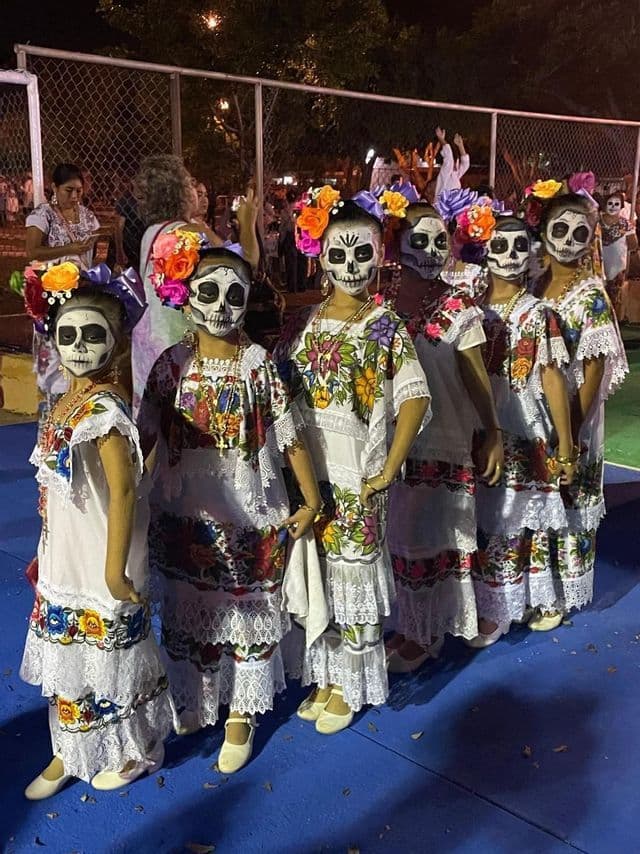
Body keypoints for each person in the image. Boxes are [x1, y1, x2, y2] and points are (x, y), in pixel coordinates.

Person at [139, 235, 321, 773]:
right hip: (185, 509)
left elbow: (288, 438)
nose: (220, 306)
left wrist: (309, 498)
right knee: (191, 605)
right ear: (186, 298)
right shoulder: (170, 365)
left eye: (233, 295)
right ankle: (197, 696)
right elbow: (144, 436)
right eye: (208, 292)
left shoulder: (258, 365)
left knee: (242, 611)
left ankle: (242, 709)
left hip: (247, 506)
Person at [275, 189, 430, 732]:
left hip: (356, 472)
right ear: (319, 256)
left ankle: (355, 682)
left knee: (355, 574)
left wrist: (389, 464)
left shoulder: (384, 324)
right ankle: (327, 673)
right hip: (312, 474)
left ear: (379, 255)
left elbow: (414, 394)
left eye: (361, 253)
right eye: (338, 254)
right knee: (321, 572)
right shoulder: (305, 322)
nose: (349, 265)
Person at [20, 260, 173, 799]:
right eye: (69, 335)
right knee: (71, 657)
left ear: (113, 341)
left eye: (93, 335)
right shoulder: (63, 402)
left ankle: (133, 747)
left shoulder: (104, 411)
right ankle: (74, 744)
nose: (80, 346)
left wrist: (114, 569)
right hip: (68, 554)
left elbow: (125, 490)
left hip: (101, 557)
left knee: (111, 654)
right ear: (52, 338)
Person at [383, 199, 503, 672]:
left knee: (430, 535)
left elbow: (475, 376)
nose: (431, 251)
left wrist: (491, 431)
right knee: (401, 536)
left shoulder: (459, 309)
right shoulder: (382, 307)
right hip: (396, 445)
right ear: (396, 245)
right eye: (419, 240)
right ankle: (413, 626)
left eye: (439, 240)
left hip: (445, 441)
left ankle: (426, 633)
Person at [471, 214, 576, 644]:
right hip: (482, 425)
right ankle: (501, 600)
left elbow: (551, 378)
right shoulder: (472, 306)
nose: (511, 256)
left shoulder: (538, 314)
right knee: (486, 518)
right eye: (501, 246)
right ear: (485, 251)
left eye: (520, 247)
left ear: (533, 252)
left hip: (524, 426)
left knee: (512, 518)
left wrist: (566, 445)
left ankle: (501, 609)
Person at [532, 185, 628, 628]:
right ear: (543, 229)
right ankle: (533, 586)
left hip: (573, 415)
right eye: (561, 229)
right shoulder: (532, 281)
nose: (569, 240)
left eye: (580, 232)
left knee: (569, 494)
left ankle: (559, 592)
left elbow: (592, 377)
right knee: (536, 499)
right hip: (532, 413)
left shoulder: (590, 295)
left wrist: (568, 433)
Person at [131, 154, 259, 414]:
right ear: (177, 190)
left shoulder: (153, 231)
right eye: (190, 183)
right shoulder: (189, 232)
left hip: (150, 340)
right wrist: (248, 222)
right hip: (180, 341)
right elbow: (245, 265)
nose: (196, 191)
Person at [25, 163, 102, 437]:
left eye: (79, 191)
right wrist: (70, 249)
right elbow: (31, 251)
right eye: (68, 190)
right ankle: (51, 435)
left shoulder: (88, 217)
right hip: (51, 299)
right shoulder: (42, 215)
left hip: (81, 298)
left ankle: (79, 429)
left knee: (80, 363)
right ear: (54, 189)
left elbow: (92, 258)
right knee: (53, 372)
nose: (74, 196)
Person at [600, 190, 637, 317]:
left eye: (616, 204)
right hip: (598, 264)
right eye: (610, 203)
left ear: (621, 207)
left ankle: (613, 318)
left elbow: (633, 245)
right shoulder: (596, 222)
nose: (613, 207)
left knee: (614, 295)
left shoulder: (626, 224)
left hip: (617, 266)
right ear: (604, 205)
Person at [434, 128, 470, 201]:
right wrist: (441, 139)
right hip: (442, 208)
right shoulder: (445, 173)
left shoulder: (456, 174)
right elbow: (448, 155)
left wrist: (460, 146)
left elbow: (465, 163)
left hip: (452, 207)